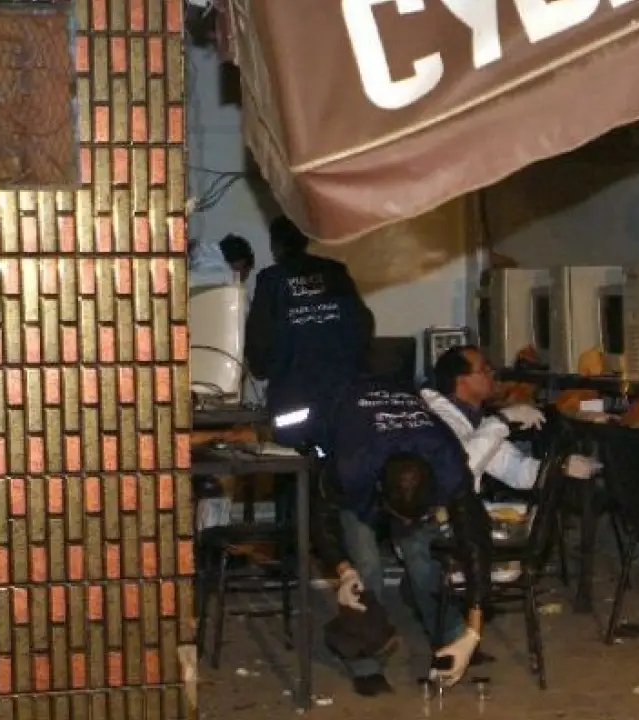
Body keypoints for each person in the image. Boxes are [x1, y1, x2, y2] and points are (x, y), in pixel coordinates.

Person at [312, 375, 506, 695]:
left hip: (408, 446)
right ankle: (364, 659)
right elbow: (321, 520)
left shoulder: (449, 463)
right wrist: (343, 570)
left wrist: (473, 631)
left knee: (424, 559)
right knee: (365, 566)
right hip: (354, 422)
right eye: (400, 518)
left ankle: (452, 638)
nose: (403, 526)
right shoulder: (351, 468)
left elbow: (476, 544)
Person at [244, 216, 373, 446]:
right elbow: (362, 323)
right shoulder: (335, 272)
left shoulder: (271, 280)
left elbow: (259, 337)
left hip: (293, 397)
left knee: (292, 453)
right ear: (306, 240)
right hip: (343, 395)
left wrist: (262, 368)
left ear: (275, 245)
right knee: (339, 450)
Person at [421, 345, 599, 493]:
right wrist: (503, 419)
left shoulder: (472, 419)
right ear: (462, 381)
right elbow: (463, 469)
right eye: (484, 370)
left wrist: (560, 468)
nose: (492, 374)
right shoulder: (438, 420)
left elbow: (515, 470)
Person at [188, 233, 256, 288]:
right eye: (247, 272)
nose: (246, 278)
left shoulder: (204, 251)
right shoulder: (228, 277)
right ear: (241, 262)